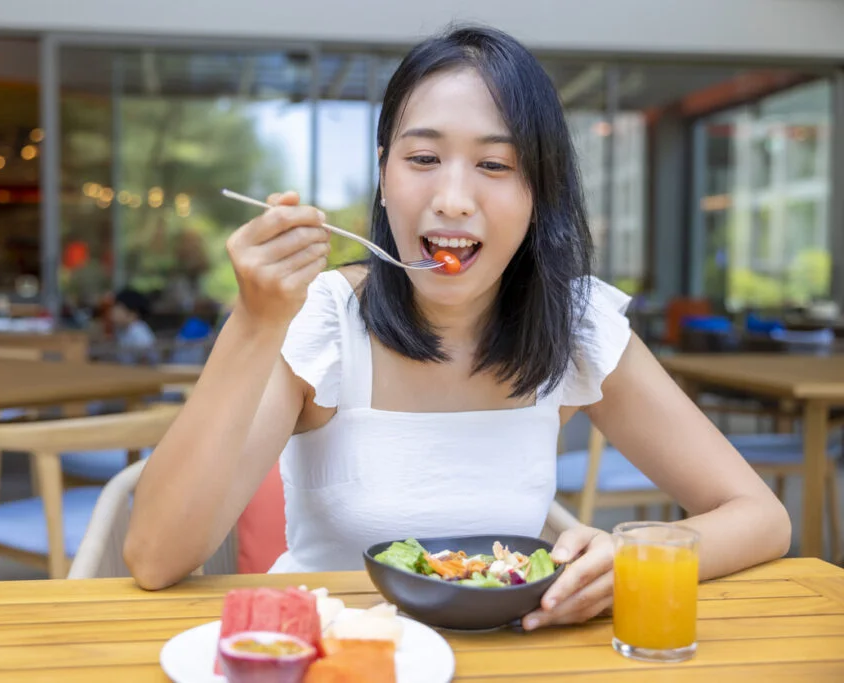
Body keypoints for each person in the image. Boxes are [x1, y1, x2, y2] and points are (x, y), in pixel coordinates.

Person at [125, 24, 791, 631]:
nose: (452, 197)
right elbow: (155, 555)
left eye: (495, 165)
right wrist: (254, 321)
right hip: (330, 658)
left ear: (540, 193)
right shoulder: (325, 321)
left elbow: (760, 517)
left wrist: (629, 556)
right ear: (384, 175)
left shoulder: (574, 325)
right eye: (422, 159)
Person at [110, 287, 159, 366]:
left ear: (133, 312)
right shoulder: (122, 330)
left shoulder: (139, 332)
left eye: (118, 308)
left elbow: (146, 363)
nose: (113, 312)